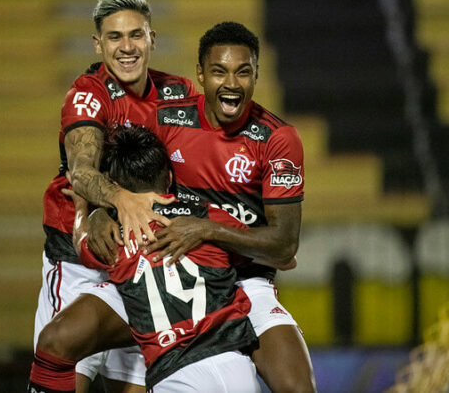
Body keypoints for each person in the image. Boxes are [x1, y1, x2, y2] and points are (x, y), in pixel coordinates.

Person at [31, 22, 316, 393]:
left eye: (243, 72)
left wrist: (206, 230)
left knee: (298, 388)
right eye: (219, 71)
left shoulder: (277, 139)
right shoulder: (168, 119)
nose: (231, 84)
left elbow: (283, 245)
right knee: (58, 339)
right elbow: (115, 165)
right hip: (163, 264)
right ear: (201, 75)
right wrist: (102, 209)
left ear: (256, 75)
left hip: (243, 283)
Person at [29, 0, 198, 393]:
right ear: (98, 44)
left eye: (136, 35)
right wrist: (118, 202)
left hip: (143, 264)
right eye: (115, 37)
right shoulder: (88, 94)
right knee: (69, 372)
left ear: (152, 39)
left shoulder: (181, 96)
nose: (127, 47)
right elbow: (81, 173)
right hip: (79, 263)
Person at [66, 124, 260, 392]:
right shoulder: (209, 215)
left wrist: (82, 205)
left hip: (174, 370)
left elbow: (82, 244)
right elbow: (250, 250)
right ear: (169, 178)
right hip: (234, 363)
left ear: (118, 187)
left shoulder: (115, 237)